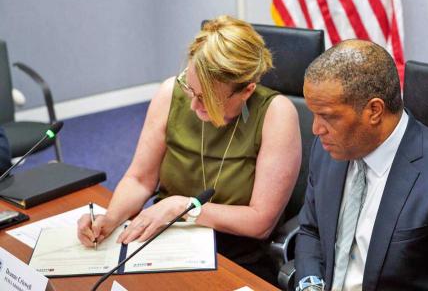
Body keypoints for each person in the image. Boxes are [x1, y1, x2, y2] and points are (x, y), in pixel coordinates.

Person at [78, 15, 302, 282]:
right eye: (191, 89)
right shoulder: (170, 92)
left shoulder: (276, 113)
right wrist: (111, 218)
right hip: (165, 239)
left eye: (208, 99)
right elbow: (139, 179)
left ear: (247, 90)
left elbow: (260, 222)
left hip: (234, 254)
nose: (194, 107)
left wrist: (183, 208)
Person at [294, 39, 428, 291]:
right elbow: (311, 230)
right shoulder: (328, 150)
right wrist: (310, 286)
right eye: (313, 113)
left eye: (327, 116)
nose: (316, 129)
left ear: (374, 111)